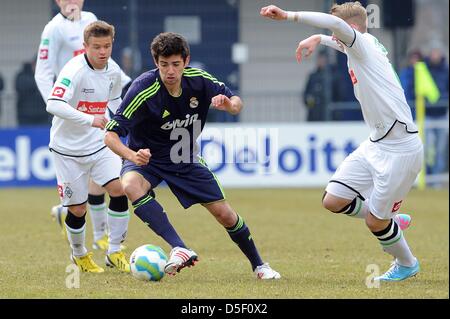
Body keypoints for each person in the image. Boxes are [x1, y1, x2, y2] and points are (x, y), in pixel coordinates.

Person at [261, 2, 423, 282]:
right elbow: (337, 35)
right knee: (333, 200)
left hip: (400, 149)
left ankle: (407, 263)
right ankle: (391, 221)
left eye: (338, 31)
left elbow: (337, 28)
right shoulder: (364, 44)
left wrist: (289, 16)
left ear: (352, 29)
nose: (335, 37)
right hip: (376, 144)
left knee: (375, 221)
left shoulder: (360, 44)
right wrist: (319, 39)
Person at [104, 32, 281, 279]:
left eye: (176, 64)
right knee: (130, 185)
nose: (170, 71)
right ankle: (180, 247)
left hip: (184, 158)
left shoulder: (199, 81)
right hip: (149, 161)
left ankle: (260, 266)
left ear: (186, 61)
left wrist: (229, 104)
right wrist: (132, 156)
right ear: (156, 63)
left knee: (225, 215)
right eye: (164, 65)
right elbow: (110, 135)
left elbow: (237, 102)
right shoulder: (142, 89)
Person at [35, 0, 131, 250]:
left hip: (96, 110)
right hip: (70, 107)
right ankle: (88, 235)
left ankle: (103, 239)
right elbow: (42, 73)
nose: (72, 2)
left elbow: (110, 73)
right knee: (85, 195)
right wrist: (60, 109)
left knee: (108, 183)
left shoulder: (90, 19)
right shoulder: (53, 28)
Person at [424, 45, 449, 180]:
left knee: (440, 149)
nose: (435, 55)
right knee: (427, 149)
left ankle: (437, 179)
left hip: (442, 114)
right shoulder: (424, 69)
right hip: (426, 115)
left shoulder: (446, 70)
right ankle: (428, 176)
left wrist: (441, 99)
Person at [15, 58, 50, 125]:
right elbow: (21, 86)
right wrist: (39, 84)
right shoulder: (22, 74)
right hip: (25, 115)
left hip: (44, 115)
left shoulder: (48, 76)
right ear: (33, 64)